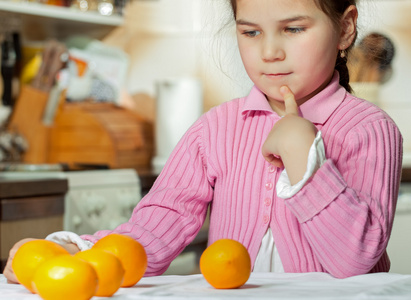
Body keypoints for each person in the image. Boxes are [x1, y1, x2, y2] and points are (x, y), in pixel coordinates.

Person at [4, 0, 403, 281]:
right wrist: (79, 252)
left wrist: (303, 153)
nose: (269, 52)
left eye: (293, 28)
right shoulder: (216, 128)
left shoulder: (368, 129)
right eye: (250, 31)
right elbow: (155, 228)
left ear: (346, 27)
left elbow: (355, 262)